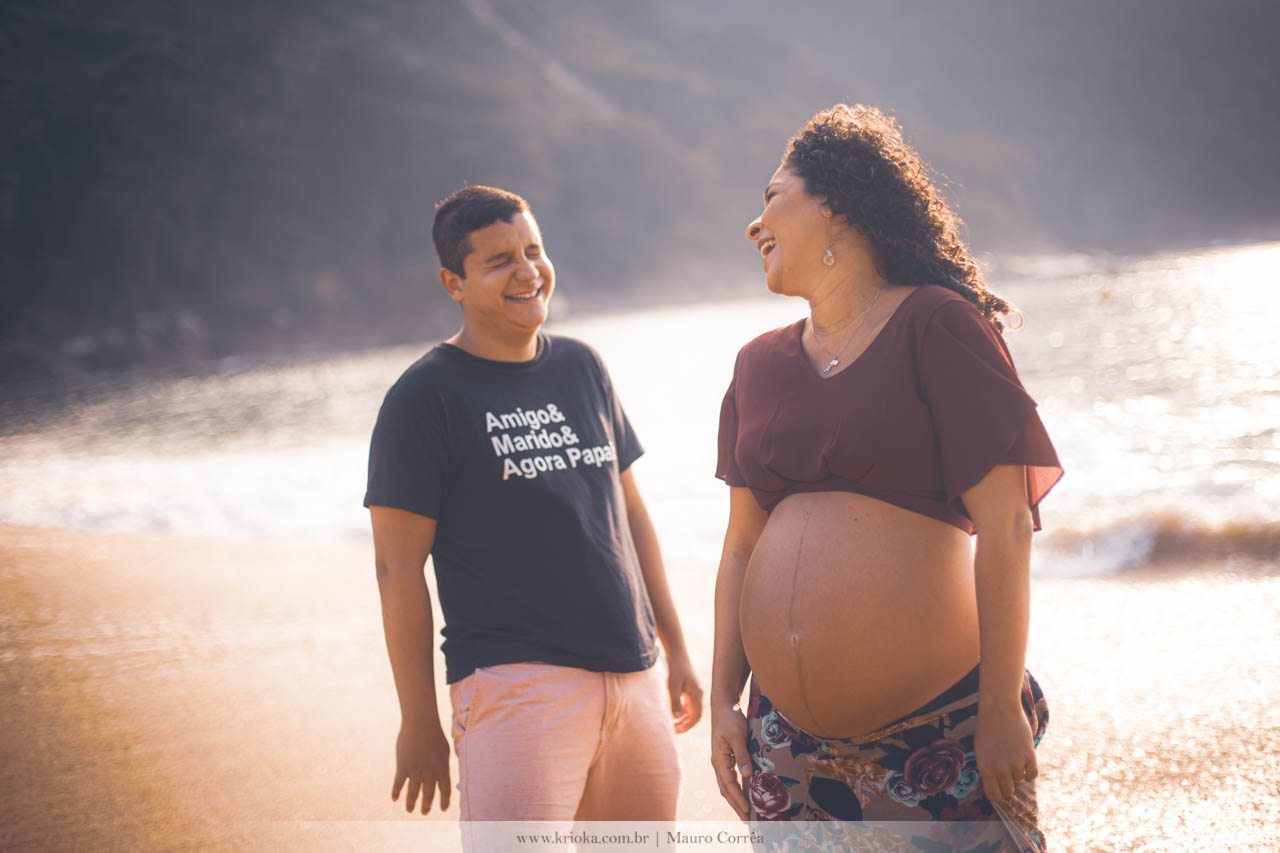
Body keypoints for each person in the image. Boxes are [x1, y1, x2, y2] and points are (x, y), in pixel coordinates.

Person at [710, 105, 1062, 851]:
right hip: (786, 748)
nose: (754, 223)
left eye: (773, 196)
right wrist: (721, 703)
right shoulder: (755, 366)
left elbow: (1005, 524)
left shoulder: (937, 324)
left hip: (941, 732)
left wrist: (1001, 705)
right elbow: (740, 547)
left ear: (836, 204)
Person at [365, 186, 701, 832]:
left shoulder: (582, 366)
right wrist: (419, 720)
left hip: (633, 673)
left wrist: (676, 646)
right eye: (498, 261)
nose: (527, 271)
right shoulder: (424, 396)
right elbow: (396, 569)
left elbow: (630, 516)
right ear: (454, 283)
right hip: (515, 686)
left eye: (533, 250)